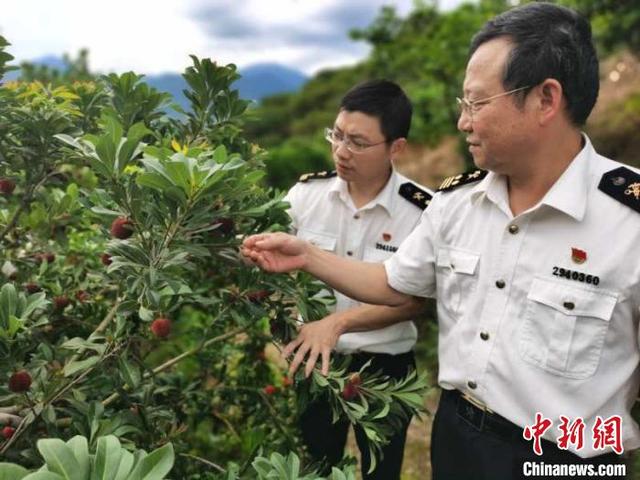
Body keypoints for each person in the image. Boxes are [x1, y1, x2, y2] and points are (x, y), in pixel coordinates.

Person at [244, 3, 639, 478]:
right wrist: (306, 255)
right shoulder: (457, 204)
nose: (462, 122)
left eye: (476, 103)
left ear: (545, 100)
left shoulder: (628, 222)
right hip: (458, 439)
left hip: (567, 459)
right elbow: (394, 282)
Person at [283, 79, 433, 480]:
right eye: (337, 135)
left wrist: (337, 323)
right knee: (315, 467)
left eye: (358, 143)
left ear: (395, 147)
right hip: (316, 362)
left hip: (386, 364)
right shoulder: (305, 195)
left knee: (382, 472)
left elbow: (413, 300)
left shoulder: (422, 211)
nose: (341, 151)